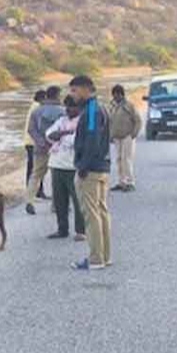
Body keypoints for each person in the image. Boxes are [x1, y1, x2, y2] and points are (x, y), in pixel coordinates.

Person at [70, 75, 113, 271]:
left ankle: (96, 258)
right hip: (102, 167)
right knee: (101, 212)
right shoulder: (101, 107)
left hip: (92, 169)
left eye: (74, 90)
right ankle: (105, 256)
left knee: (92, 214)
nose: (73, 95)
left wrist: (83, 166)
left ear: (86, 89)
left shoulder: (92, 111)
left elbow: (93, 139)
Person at [45, 96, 86, 240]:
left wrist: (60, 135)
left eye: (72, 106)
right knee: (60, 201)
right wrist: (65, 133)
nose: (68, 109)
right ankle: (62, 229)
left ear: (79, 108)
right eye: (67, 106)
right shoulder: (61, 120)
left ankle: (81, 231)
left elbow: (75, 141)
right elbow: (49, 135)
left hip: (73, 166)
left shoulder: (82, 122)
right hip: (56, 165)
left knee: (78, 201)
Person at [25, 86, 66, 215]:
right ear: (57, 95)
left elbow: (31, 130)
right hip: (58, 149)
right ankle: (55, 205)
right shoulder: (63, 111)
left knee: (36, 174)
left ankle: (29, 201)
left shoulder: (37, 111)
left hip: (40, 148)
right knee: (56, 177)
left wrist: (41, 142)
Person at [108, 84, 141, 192]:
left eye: (117, 95)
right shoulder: (112, 106)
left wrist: (133, 134)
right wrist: (110, 135)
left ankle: (130, 182)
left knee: (126, 159)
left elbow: (138, 120)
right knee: (118, 160)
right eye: (114, 95)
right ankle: (121, 182)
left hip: (128, 136)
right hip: (117, 137)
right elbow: (110, 121)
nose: (115, 97)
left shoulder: (129, 106)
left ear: (122, 95)